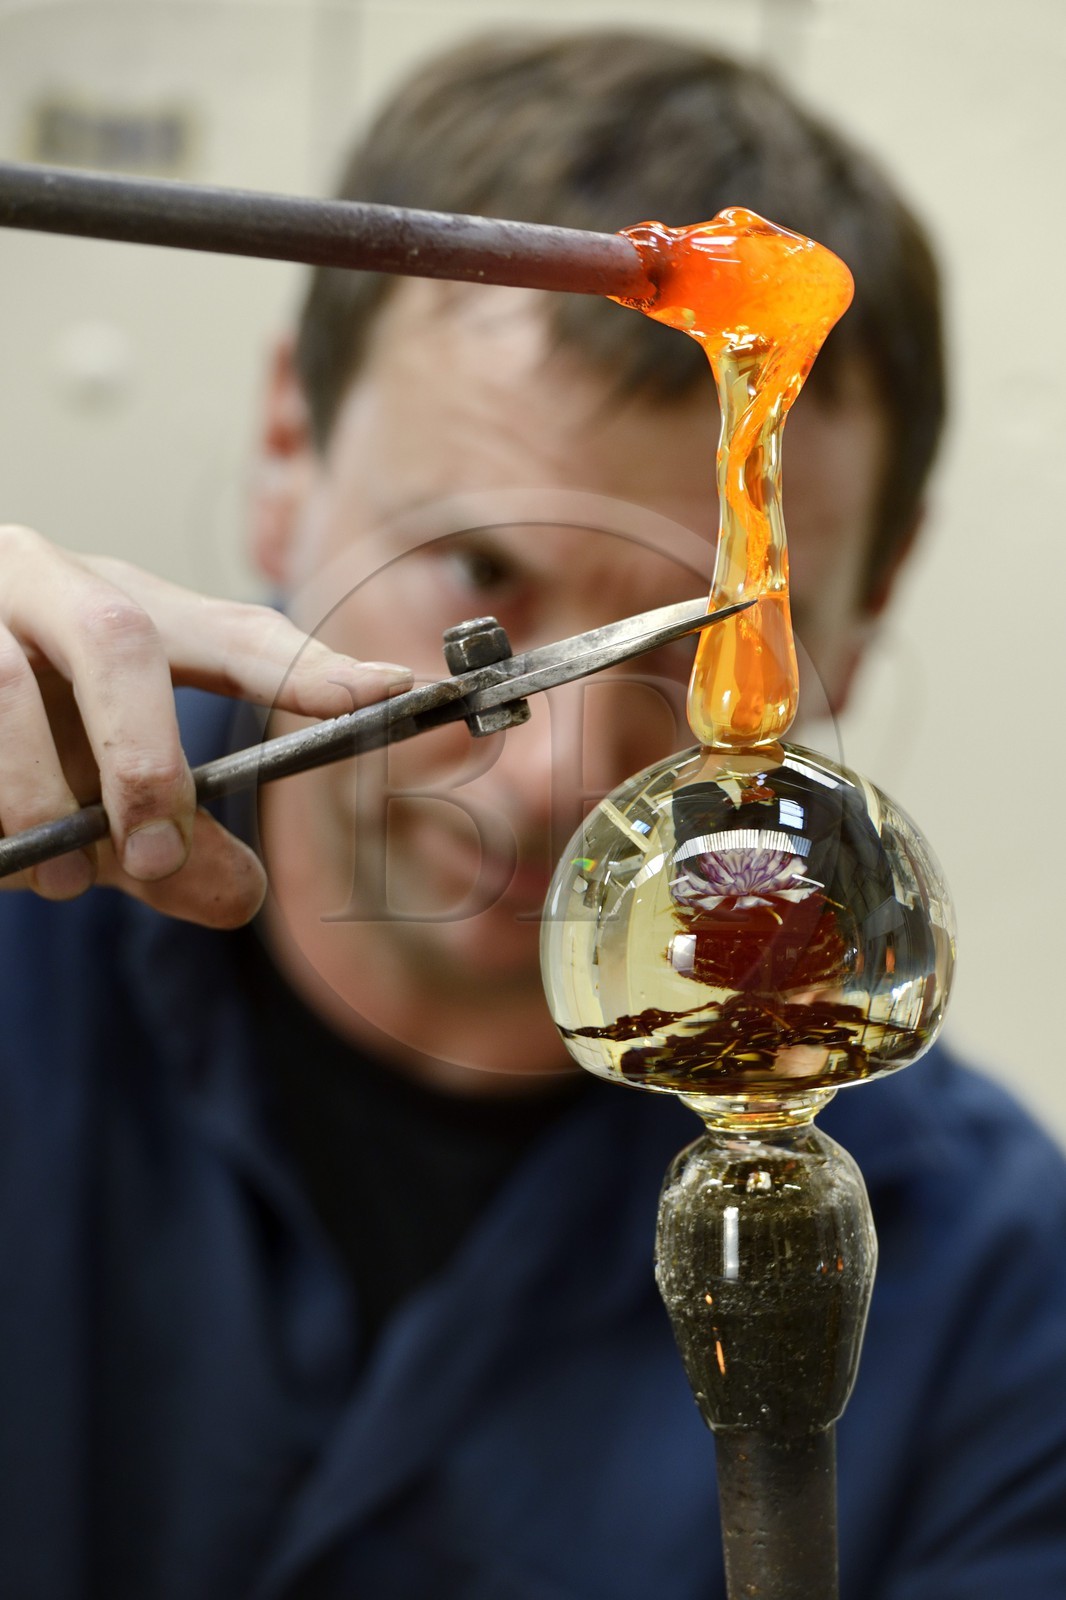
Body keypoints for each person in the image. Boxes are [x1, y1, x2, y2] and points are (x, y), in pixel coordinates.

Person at [0, 30, 1063, 1600]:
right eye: (483, 576)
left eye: (699, 638)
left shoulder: (996, 1304)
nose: (557, 779)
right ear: (288, 443)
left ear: (864, 607)